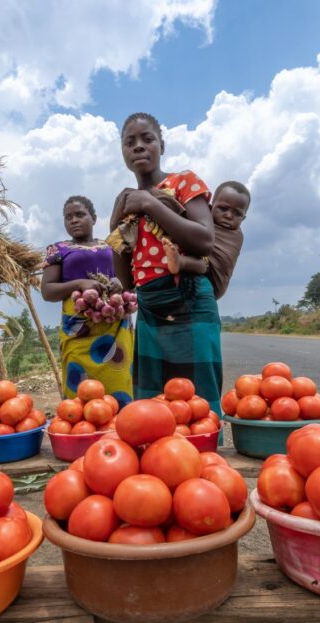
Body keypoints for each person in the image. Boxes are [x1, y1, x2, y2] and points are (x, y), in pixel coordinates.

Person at [109, 112, 223, 414]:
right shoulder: (125, 201)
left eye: (148, 139)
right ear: (123, 152)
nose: (139, 147)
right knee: (151, 409)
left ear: (162, 145)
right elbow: (128, 282)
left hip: (189, 299)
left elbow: (203, 241)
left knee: (199, 406)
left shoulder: (184, 181)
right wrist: (115, 228)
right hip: (149, 305)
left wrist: (149, 202)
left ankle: (206, 459)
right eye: (129, 142)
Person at [40, 195, 134, 407]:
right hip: (78, 328)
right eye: (68, 217)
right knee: (80, 391)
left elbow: (130, 282)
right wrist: (79, 284)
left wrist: (119, 284)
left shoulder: (112, 246)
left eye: (80, 214)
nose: (73, 220)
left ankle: (121, 431)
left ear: (93, 218)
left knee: (118, 382)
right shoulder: (57, 250)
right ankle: (82, 433)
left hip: (114, 325)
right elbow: (47, 291)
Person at [166, 181, 249, 300]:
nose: (229, 216)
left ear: (244, 218)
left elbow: (191, 233)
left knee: (203, 263)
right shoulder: (204, 221)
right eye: (223, 208)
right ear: (211, 207)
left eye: (237, 213)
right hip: (195, 280)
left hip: (214, 281)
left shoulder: (236, 236)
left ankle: (181, 262)